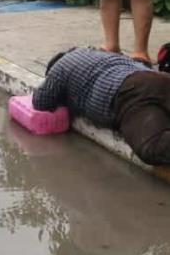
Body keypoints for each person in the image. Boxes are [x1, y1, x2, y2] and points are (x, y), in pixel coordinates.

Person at [30, 46, 170, 166]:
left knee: (153, 147)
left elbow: (41, 101)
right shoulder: (97, 53)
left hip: (127, 94)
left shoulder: (60, 67)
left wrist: (64, 97)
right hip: (155, 79)